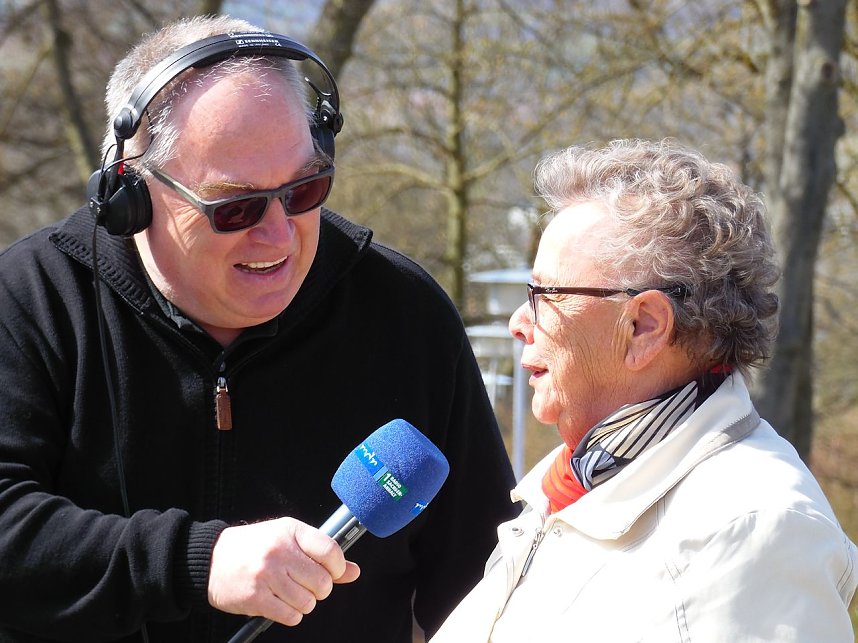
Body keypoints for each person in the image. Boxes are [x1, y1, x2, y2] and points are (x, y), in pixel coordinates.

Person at [0, 14, 518, 643]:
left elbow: (488, 582)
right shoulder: (30, 298)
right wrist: (196, 562)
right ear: (129, 194)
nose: (277, 234)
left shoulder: (405, 313)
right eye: (234, 207)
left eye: (305, 190)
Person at [430, 139, 858, 642]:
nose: (518, 322)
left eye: (543, 295)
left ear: (644, 327)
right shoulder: (584, 479)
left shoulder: (751, 527)